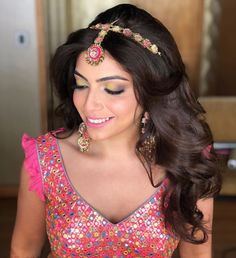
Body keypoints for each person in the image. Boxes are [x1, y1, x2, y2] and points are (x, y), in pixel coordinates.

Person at [10, 4, 221, 258]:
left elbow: (198, 255)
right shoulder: (44, 161)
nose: (89, 105)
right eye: (81, 84)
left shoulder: (186, 159)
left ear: (151, 91)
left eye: (112, 88)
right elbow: (23, 249)